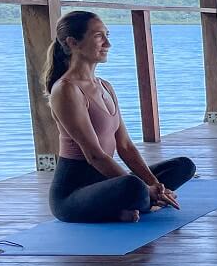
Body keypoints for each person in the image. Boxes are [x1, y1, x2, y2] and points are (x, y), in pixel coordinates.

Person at [45, 11, 196, 223]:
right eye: (98, 36)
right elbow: (94, 155)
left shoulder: (105, 86)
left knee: (183, 166)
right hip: (73, 194)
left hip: (107, 181)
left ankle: (140, 202)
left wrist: (155, 186)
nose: (108, 43)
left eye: (107, 35)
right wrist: (144, 188)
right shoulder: (66, 90)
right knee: (133, 186)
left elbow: (125, 146)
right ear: (73, 43)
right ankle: (132, 204)